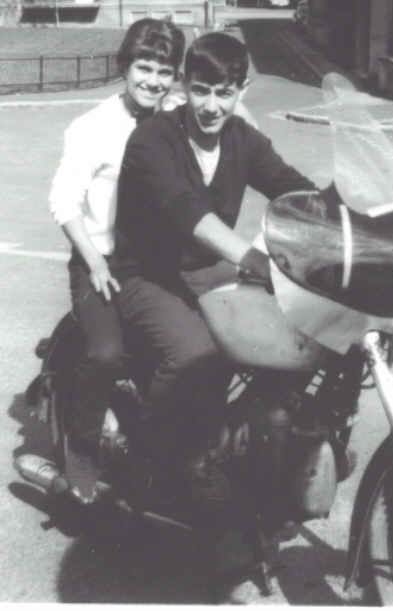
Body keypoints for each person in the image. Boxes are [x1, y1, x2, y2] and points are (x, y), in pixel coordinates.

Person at [112, 32, 316, 500]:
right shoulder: (153, 140)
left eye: (224, 93)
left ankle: (250, 441)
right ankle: (152, 457)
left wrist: (357, 220)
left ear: (241, 90)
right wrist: (252, 258)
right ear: (183, 85)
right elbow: (187, 211)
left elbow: (290, 187)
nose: (210, 106)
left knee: (292, 332)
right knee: (194, 353)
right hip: (145, 273)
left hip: (205, 269)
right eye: (200, 90)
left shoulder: (242, 139)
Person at [47, 18, 186, 503]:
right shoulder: (92, 127)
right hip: (99, 262)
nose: (153, 80)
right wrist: (95, 262)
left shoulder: (177, 119)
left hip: (153, 266)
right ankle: (82, 445)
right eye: (144, 67)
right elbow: (64, 201)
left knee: (196, 348)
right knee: (107, 353)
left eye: (164, 71)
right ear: (125, 66)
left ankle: (171, 451)